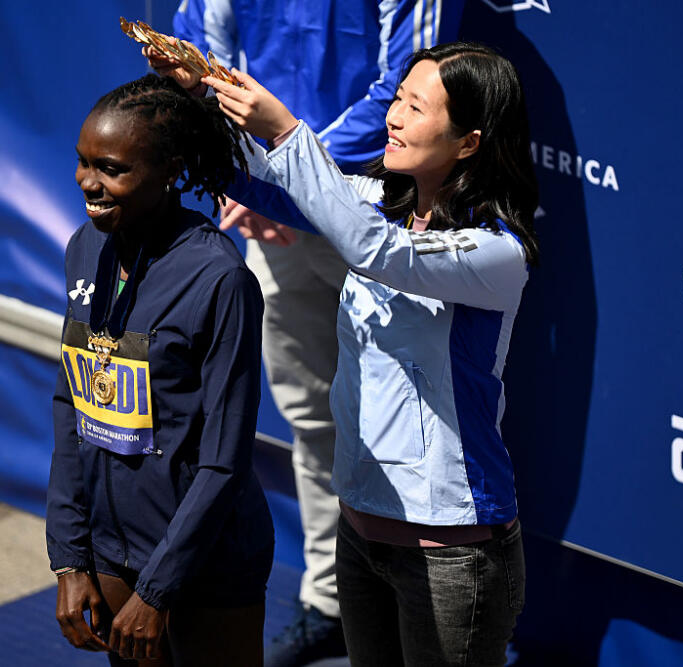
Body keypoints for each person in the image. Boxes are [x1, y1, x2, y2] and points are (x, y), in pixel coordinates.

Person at [157, 41, 538, 666]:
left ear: (469, 142)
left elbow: (374, 252)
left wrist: (285, 128)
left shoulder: (496, 251)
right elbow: (258, 182)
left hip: (451, 552)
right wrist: (198, 93)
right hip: (360, 529)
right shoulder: (371, 202)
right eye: (396, 99)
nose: (394, 116)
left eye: (415, 107)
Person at [46, 74, 275, 667]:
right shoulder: (84, 248)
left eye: (112, 169)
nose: (89, 184)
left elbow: (225, 460)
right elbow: (72, 406)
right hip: (113, 550)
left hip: (205, 563)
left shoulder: (219, 281)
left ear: (171, 171)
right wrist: (71, 557)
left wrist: (158, 589)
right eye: (83, 162)